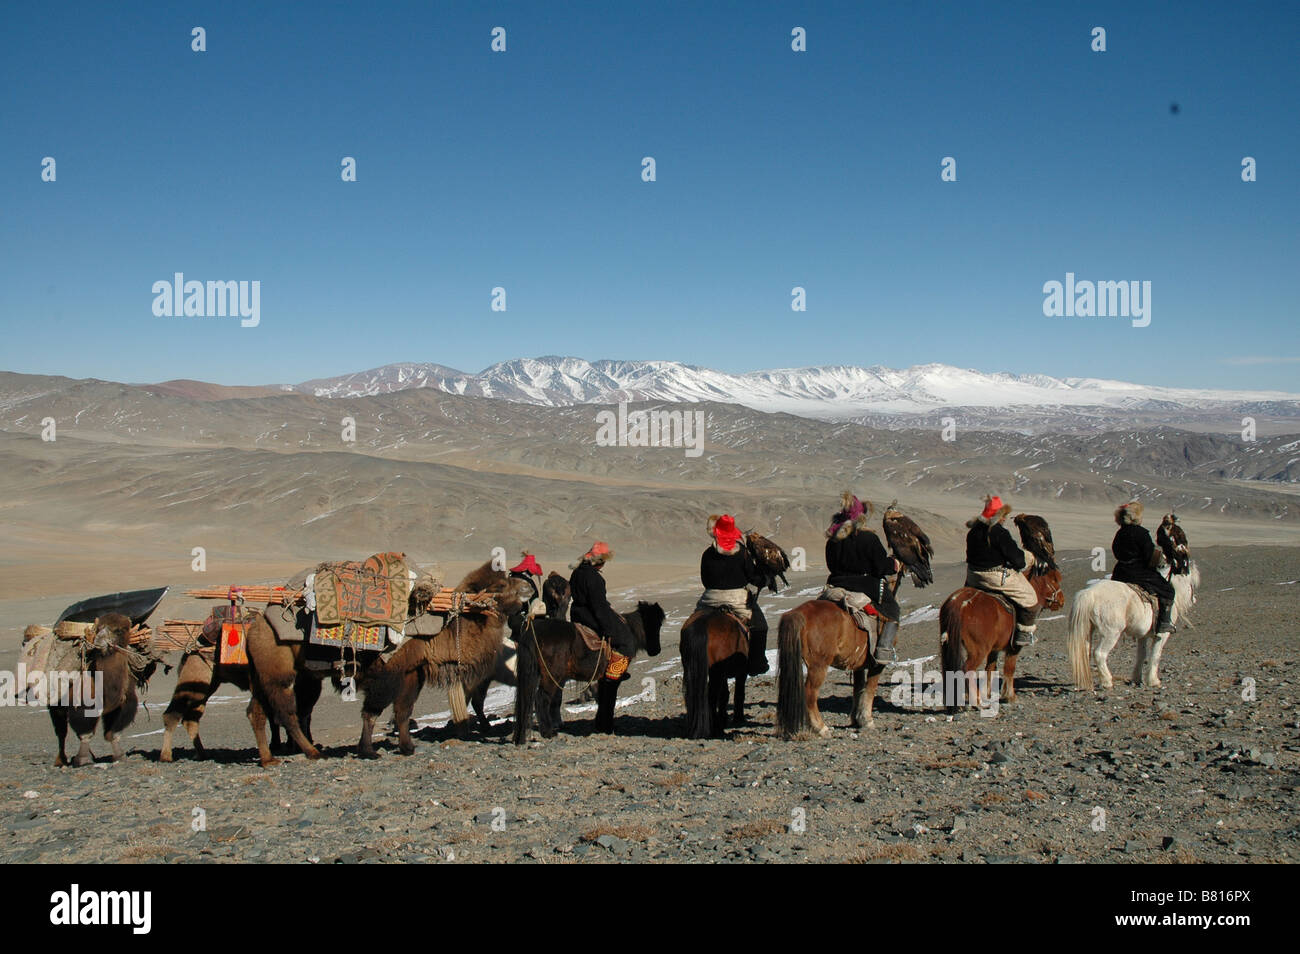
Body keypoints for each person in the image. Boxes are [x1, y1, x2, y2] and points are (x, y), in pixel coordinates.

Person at [825, 493, 902, 659]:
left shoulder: (832, 540)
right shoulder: (869, 538)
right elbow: (880, 567)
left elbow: (831, 566)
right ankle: (884, 650)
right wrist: (893, 565)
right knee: (893, 609)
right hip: (866, 585)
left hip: (836, 584)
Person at [698, 514, 770, 676]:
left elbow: (705, 580)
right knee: (760, 626)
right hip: (738, 598)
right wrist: (763, 579)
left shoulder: (707, 554)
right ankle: (757, 663)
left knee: (691, 626)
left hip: (710, 598)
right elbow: (752, 577)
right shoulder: (742, 553)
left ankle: (689, 659)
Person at [965, 495, 1039, 649]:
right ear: (998, 516)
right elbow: (1018, 561)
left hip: (973, 578)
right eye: (1003, 515)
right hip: (995, 578)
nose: (1004, 519)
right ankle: (1024, 634)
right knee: (1031, 598)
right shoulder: (999, 533)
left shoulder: (972, 532)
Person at [568, 541, 635, 682]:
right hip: (589, 615)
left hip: (576, 613)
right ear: (599, 562)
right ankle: (614, 674)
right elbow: (598, 607)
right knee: (625, 639)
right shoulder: (594, 578)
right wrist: (608, 629)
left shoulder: (576, 572)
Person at [1111, 501, 1176, 636]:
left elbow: (1115, 551)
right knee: (1168, 590)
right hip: (1139, 573)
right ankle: (1164, 623)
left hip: (1120, 572)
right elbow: (1149, 555)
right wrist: (1157, 560)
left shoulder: (1120, 533)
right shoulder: (1141, 533)